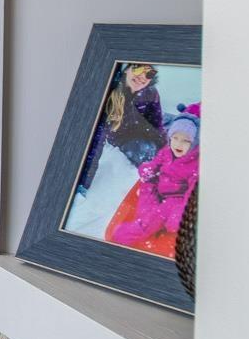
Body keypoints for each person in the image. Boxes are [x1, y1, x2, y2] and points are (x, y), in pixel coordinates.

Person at [107, 105, 201, 257]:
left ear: (194, 143)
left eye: (185, 141)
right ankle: (146, 220)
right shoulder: (167, 151)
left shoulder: (195, 164)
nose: (178, 144)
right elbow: (156, 163)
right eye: (175, 138)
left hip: (175, 199)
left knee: (154, 219)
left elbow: (192, 193)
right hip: (157, 187)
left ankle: (129, 234)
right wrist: (148, 170)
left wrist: (181, 212)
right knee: (145, 208)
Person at [77, 63, 164, 194]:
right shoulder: (110, 94)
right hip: (123, 136)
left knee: (170, 137)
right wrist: (83, 183)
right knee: (146, 152)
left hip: (143, 129)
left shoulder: (150, 93)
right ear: (126, 69)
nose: (142, 77)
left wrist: (167, 153)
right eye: (138, 68)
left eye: (149, 73)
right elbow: (96, 140)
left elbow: (157, 124)